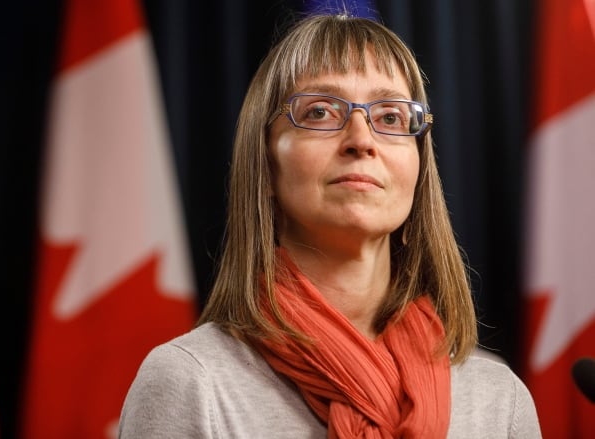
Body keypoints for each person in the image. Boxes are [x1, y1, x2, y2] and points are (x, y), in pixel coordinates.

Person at [119, 14, 541, 438]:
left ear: (418, 169)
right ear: (264, 166)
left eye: (391, 117)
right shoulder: (191, 383)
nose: (361, 139)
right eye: (320, 111)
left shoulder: (498, 398)